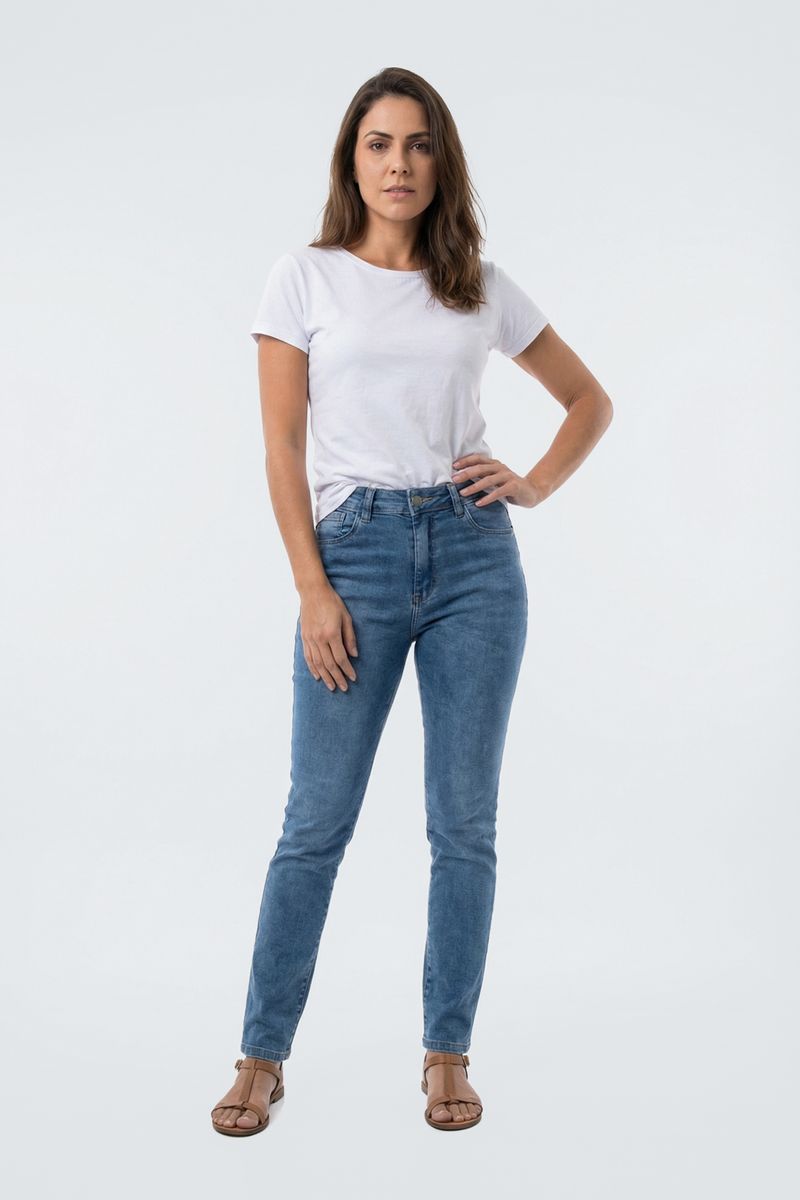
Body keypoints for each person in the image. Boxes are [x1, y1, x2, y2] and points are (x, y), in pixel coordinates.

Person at [211, 66, 613, 1137]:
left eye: (419, 144)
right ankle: (261, 1054)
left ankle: (445, 1054)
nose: (399, 164)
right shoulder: (303, 278)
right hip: (354, 559)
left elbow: (588, 399)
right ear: (352, 160)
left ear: (443, 163)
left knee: (463, 825)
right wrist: (312, 587)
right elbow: (282, 447)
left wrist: (533, 483)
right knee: (314, 822)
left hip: (475, 560)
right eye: (380, 143)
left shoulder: (477, 283)